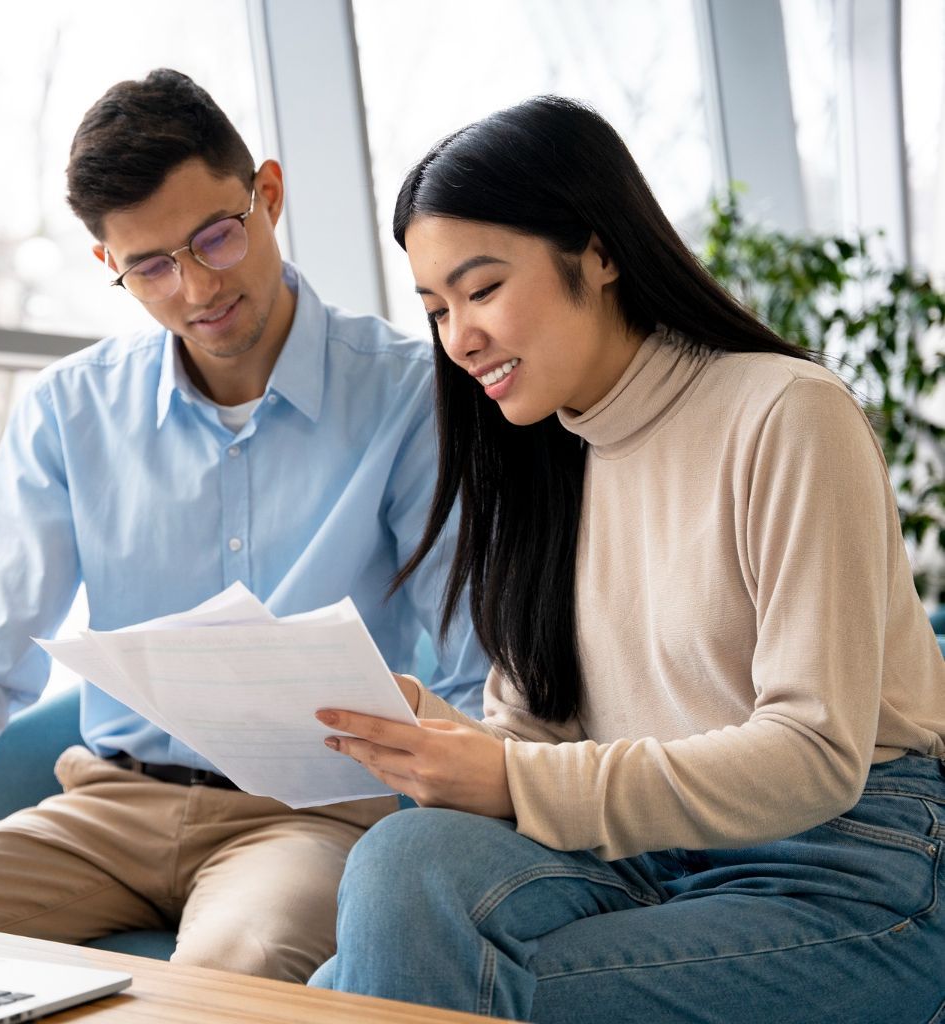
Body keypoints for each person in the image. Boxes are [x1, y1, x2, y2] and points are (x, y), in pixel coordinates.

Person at [308, 96, 945, 1022]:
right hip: (641, 858)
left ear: (600, 252)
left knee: (383, 990)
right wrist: (443, 742)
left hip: (848, 865)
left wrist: (514, 777)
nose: (459, 338)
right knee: (404, 863)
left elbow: (817, 756)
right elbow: (538, 747)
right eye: (436, 308)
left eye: (482, 290)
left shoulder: (786, 415)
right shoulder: (539, 459)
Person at [0, 68, 488, 983]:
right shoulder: (70, 410)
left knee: (234, 967)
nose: (197, 287)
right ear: (112, 267)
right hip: (109, 808)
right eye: (152, 266)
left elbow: (471, 670)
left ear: (269, 195)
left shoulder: (412, 395)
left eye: (216, 235)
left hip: (310, 817)